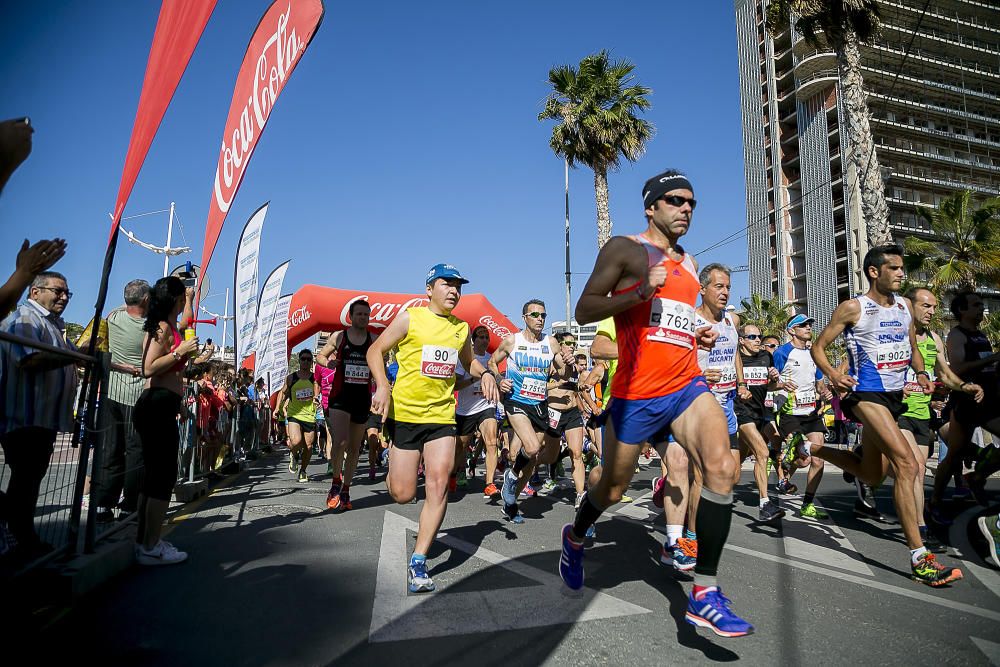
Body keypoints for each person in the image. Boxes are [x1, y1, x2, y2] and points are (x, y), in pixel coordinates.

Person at [560, 169, 752, 637]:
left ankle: (704, 592)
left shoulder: (688, 263)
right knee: (610, 487)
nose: (686, 208)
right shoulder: (626, 249)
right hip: (636, 394)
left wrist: (697, 333)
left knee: (723, 466)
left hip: (686, 384)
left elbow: (672, 321)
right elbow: (585, 308)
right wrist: (640, 290)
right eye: (675, 200)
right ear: (651, 206)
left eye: (691, 202)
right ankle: (576, 536)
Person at [811, 244, 967, 586]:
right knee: (908, 464)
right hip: (865, 395)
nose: (901, 273)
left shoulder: (904, 308)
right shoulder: (854, 308)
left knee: (871, 474)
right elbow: (818, 346)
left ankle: (813, 449)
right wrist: (834, 376)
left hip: (894, 399)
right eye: (894, 268)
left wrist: (923, 373)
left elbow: (912, 349)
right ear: (873, 271)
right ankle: (919, 555)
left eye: (901, 269)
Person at [367, 264, 497, 593]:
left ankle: (419, 560)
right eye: (446, 284)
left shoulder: (460, 329)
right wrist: (382, 384)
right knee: (403, 493)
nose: (453, 291)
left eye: (458, 286)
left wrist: (484, 373)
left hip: (441, 416)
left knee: (439, 485)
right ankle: (393, 467)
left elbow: (468, 361)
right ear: (429, 289)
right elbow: (375, 350)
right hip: (406, 415)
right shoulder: (411, 318)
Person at [0, 271, 79, 557]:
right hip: (24, 416)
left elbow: (72, 355)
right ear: (35, 292)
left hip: (43, 418)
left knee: (30, 479)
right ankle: (22, 538)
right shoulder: (25, 320)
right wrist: (73, 356)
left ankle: (22, 535)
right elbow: (28, 360)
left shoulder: (53, 325)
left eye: (67, 293)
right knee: (25, 479)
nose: (64, 297)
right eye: (58, 291)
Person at [897, 287, 975, 549]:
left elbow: (944, 373)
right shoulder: (895, 335)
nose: (932, 311)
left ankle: (867, 469)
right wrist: (897, 386)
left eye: (934, 307)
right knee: (917, 467)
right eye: (926, 306)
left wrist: (963, 386)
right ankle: (921, 530)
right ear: (909, 306)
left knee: (955, 450)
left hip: (923, 412)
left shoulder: (934, 339)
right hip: (897, 411)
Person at [489, 299, 574, 524]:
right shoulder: (511, 341)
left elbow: (564, 374)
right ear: (524, 318)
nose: (540, 319)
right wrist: (499, 379)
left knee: (532, 458)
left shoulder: (551, 343)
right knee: (532, 446)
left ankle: (511, 503)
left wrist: (569, 363)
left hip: (539, 404)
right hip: (516, 401)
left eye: (543, 315)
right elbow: (491, 362)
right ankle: (509, 476)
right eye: (535, 315)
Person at [133, 277, 198, 565]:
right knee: (162, 476)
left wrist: (192, 298)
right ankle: (150, 545)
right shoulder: (161, 328)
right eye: (182, 296)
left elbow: (186, 323)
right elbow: (148, 368)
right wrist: (179, 352)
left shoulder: (169, 325)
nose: (185, 299)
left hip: (163, 405)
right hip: (155, 406)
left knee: (156, 476)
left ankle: (147, 540)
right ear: (174, 299)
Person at [930, 291, 1000, 509]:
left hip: (988, 398)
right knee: (953, 457)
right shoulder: (956, 335)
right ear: (962, 310)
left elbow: (987, 367)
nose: (981, 309)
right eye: (976, 305)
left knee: (955, 455)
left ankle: (977, 477)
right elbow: (957, 368)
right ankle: (934, 502)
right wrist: (994, 357)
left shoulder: (980, 335)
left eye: (981, 305)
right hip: (967, 402)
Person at [89, 279, 150, 520]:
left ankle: (103, 504)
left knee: (109, 449)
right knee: (135, 451)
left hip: (110, 391)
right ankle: (129, 505)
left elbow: (95, 346)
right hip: (135, 395)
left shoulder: (112, 317)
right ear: (146, 300)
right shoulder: (149, 327)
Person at [773, 314, 833, 519]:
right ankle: (787, 467)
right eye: (802, 325)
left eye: (809, 324)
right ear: (792, 330)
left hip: (811, 412)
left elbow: (819, 383)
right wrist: (781, 385)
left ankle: (807, 504)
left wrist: (825, 392)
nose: (808, 327)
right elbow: (770, 383)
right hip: (789, 413)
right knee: (805, 460)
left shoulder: (814, 353)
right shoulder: (782, 353)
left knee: (818, 460)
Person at [318, 300, 375, 509]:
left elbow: (381, 360)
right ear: (351, 316)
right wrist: (328, 363)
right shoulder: (339, 336)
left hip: (361, 398)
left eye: (366, 315)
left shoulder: (373, 339)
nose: (363, 318)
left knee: (354, 448)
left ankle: (346, 491)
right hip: (340, 396)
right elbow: (320, 356)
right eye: (359, 314)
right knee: (340, 441)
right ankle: (335, 482)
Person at [734, 323, 785, 522]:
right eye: (752, 337)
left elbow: (771, 387)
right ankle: (765, 504)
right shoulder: (736, 360)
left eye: (759, 337)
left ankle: (708, 489)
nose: (758, 341)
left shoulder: (766, 357)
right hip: (740, 412)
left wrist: (774, 379)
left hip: (758, 414)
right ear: (741, 341)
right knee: (762, 452)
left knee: (734, 469)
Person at [454, 325, 499, 499]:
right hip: (466, 410)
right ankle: (459, 472)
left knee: (492, 441)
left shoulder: (491, 360)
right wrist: (475, 377)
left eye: (487, 337)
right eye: (481, 337)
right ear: (473, 340)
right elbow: (456, 386)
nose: (485, 340)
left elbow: (498, 379)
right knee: (461, 446)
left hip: (486, 405)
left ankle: (490, 483)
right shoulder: (464, 359)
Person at [273, 349, 320, 483]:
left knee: (309, 446)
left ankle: (303, 471)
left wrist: (316, 399)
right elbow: (283, 393)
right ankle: (293, 454)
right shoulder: (291, 378)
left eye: (308, 359)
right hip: (294, 414)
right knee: (296, 441)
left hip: (309, 416)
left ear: (311, 362)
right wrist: (277, 408)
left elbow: (317, 392)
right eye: (303, 359)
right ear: (299, 361)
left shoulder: (314, 378)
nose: (305, 361)